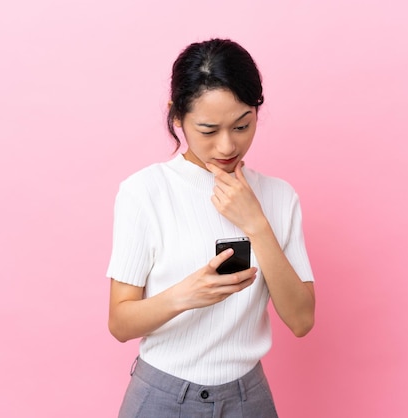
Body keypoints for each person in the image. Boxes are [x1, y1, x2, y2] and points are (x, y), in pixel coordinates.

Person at [107, 38, 316, 418]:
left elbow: (302, 321)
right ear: (176, 116)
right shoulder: (144, 192)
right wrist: (187, 294)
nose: (227, 145)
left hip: (248, 398)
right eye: (208, 129)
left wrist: (256, 223)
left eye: (242, 125)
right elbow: (120, 323)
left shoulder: (279, 196)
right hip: (162, 396)